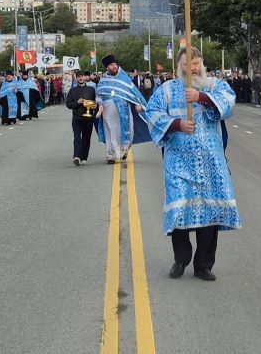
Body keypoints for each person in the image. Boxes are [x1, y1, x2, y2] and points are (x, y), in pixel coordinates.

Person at [146, 48, 241, 282]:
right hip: (179, 161)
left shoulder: (213, 85)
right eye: (188, 64)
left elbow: (228, 104)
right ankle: (180, 260)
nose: (193, 68)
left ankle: (203, 265)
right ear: (180, 66)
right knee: (179, 209)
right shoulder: (167, 90)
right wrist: (177, 124)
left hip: (210, 161)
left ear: (202, 64)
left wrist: (201, 98)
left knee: (209, 212)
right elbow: (153, 113)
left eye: (197, 63)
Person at [96, 55, 149, 162]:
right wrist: (100, 104)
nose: (114, 66)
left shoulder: (124, 78)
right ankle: (111, 156)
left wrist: (138, 104)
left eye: (114, 64)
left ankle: (123, 150)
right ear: (107, 68)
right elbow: (98, 95)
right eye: (111, 65)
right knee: (110, 131)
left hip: (124, 111)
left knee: (127, 131)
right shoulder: (102, 81)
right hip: (108, 112)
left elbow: (134, 93)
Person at [66, 68, 98, 165]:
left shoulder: (91, 90)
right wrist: (77, 102)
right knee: (77, 137)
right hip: (77, 118)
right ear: (76, 79)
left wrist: (95, 106)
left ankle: (84, 157)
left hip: (88, 118)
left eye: (82, 76)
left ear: (85, 77)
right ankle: (76, 156)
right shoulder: (72, 90)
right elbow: (68, 104)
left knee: (86, 138)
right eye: (78, 77)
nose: (80, 78)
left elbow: (95, 103)